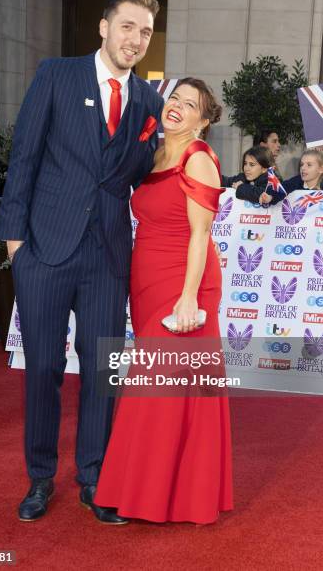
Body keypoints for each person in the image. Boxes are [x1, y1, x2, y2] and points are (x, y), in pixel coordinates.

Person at [0, 0, 163, 524]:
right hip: (44, 250)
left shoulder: (148, 103)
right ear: (104, 26)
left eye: (145, 32)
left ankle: (94, 477)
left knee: (102, 373)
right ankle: (40, 478)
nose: (135, 40)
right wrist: (16, 246)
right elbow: (23, 158)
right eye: (128, 26)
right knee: (42, 368)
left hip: (107, 257)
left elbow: (138, 173)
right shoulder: (56, 74)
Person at [94, 78, 234, 525]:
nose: (177, 107)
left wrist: (189, 298)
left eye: (190, 105)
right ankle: (152, 488)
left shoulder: (199, 159)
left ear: (204, 121)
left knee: (162, 390)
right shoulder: (155, 153)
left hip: (183, 284)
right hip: (148, 281)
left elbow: (201, 234)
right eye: (175, 98)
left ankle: (157, 495)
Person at [260, 147, 323, 212]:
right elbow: (281, 189)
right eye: (302, 164)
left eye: (309, 165)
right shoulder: (296, 181)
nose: (303, 168)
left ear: (321, 169)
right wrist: (270, 197)